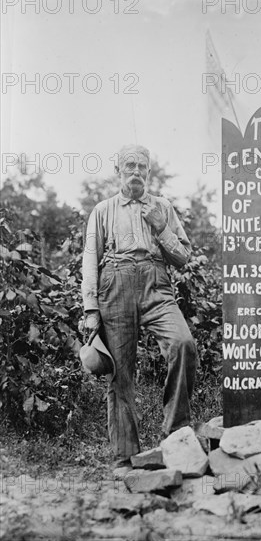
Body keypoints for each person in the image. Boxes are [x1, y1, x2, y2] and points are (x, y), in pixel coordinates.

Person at [81, 144, 196, 471]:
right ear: (118, 171)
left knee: (183, 343)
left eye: (141, 166)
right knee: (121, 372)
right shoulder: (103, 210)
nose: (135, 172)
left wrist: (161, 227)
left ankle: (175, 433)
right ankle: (125, 456)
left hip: (156, 284)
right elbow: (90, 259)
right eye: (129, 165)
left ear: (148, 171)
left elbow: (183, 258)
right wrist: (91, 308)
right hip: (115, 284)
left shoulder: (163, 207)